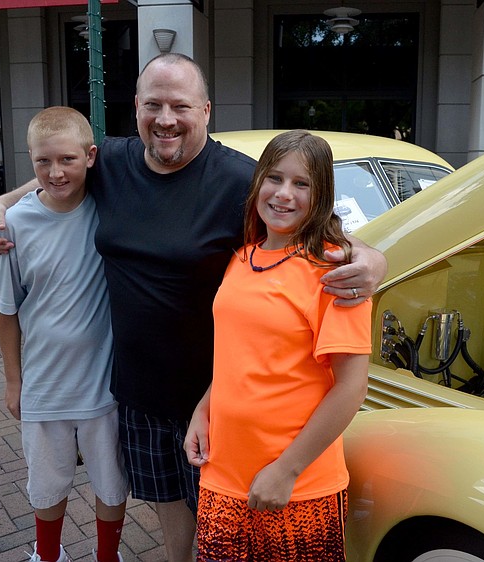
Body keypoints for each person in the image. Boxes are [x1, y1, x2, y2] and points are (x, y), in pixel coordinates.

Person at [0, 54, 386, 562]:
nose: (165, 119)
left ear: (206, 111)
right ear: (136, 107)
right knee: (168, 500)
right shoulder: (113, 160)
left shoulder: (239, 180)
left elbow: (302, 219)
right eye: (154, 105)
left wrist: (371, 256)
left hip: (215, 393)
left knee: (227, 515)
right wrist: (4, 201)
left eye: (181, 106)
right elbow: (60, 167)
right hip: (137, 389)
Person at [184, 130, 370, 561]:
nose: (284, 193)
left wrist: (286, 470)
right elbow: (237, 358)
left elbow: (352, 388)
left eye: (301, 183)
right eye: (275, 178)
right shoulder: (240, 259)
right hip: (222, 477)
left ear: (321, 196)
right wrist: (203, 411)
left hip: (299, 487)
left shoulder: (335, 273)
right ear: (258, 184)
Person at [0, 107, 129, 562]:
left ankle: (107, 555)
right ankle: (48, 555)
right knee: (46, 484)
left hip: (103, 386)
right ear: (30, 160)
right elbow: (6, 309)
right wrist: (13, 380)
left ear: (90, 156)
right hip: (43, 384)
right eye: (43, 161)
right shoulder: (14, 224)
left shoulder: (111, 209)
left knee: (111, 483)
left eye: (67, 159)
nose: (56, 172)